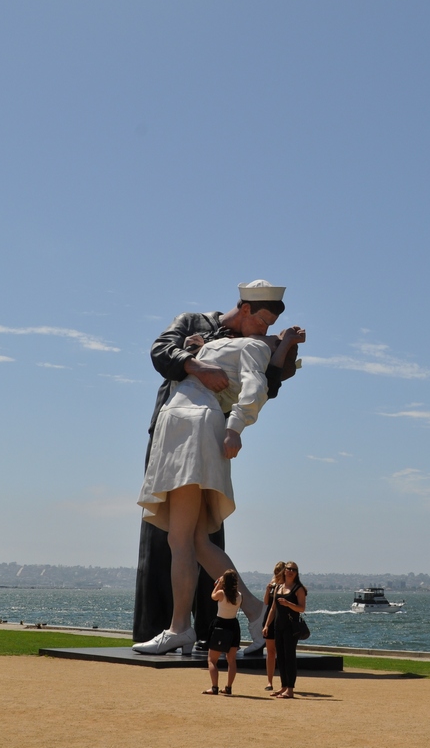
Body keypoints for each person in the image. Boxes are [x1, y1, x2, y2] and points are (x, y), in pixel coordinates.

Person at [132, 280, 305, 655]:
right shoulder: (204, 329)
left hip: (191, 426)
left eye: (272, 330)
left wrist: (234, 428)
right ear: (243, 309)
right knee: (195, 541)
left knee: (181, 539)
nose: (266, 330)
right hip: (183, 426)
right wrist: (197, 355)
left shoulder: (256, 346)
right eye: (261, 321)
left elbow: (260, 386)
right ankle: (257, 615)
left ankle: (181, 627)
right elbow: (162, 351)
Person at [267, 561, 307, 699]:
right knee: (281, 657)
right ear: (284, 571)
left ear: (297, 573)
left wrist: (289, 604)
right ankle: (283, 686)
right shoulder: (278, 586)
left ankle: (290, 689)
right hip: (278, 626)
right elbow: (273, 608)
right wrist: (267, 625)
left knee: (290, 657)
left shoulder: (299, 589)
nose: (291, 571)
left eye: (294, 570)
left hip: (291, 627)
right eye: (288, 569)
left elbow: (302, 608)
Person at [202, 570, 242, 696]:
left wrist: (218, 585)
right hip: (233, 626)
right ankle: (228, 687)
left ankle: (214, 687)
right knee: (231, 660)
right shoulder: (239, 595)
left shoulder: (221, 593)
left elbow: (212, 596)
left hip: (220, 624)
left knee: (212, 660)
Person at [261, 562, 285, 691]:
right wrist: (267, 589)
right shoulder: (273, 584)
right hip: (269, 618)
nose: (276, 575)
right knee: (270, 651)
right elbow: (266, 602)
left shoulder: (286, 587)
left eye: (278, 572)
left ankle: (284, 682)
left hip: (281, 619)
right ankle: (269, 681)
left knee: (282, 652)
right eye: (275, 572)